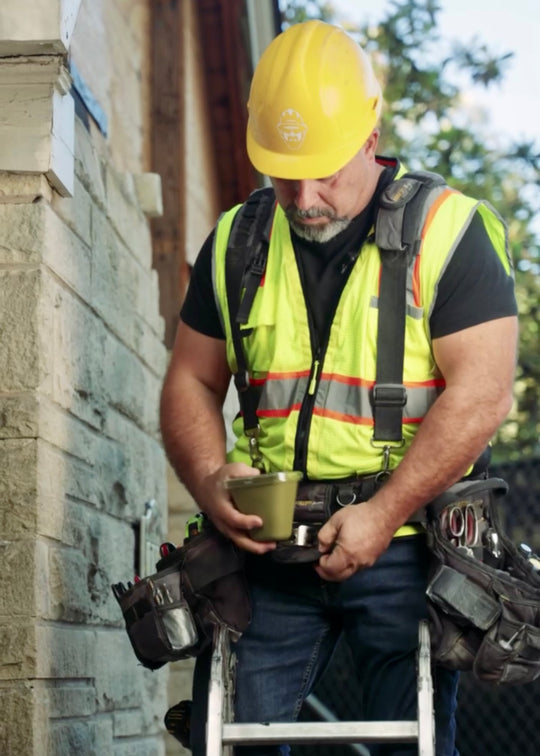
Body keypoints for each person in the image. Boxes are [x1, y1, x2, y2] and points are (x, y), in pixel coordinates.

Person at [160, 20, 518, 756]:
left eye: (323, 169)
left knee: (408, 745)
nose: (303, 194)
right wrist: (208, 479)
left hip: (403, 546)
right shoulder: (238, 239)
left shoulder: (447, 232)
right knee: (229, 741)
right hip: (267, 551)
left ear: (369, 133)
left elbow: (483, 395)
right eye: (284, 172)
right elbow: (190, 379)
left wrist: (383, 516)